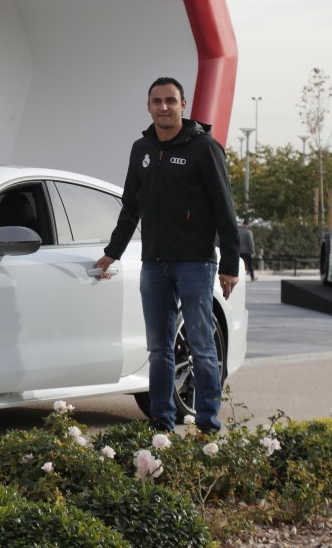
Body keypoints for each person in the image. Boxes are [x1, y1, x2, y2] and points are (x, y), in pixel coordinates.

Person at [95, 77, 240, 435]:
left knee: (202, 346)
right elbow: (131, 207)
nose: (163, 107)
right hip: (154, 264)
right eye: (157, 101)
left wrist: (230, 264)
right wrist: (112, 252)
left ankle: (207, 423)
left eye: (170, 101)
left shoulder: (204, 148)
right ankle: (160, 420)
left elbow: (225, 208)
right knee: (159, 348)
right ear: (148, 107)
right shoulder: (141, 149)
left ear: (183, 105)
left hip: (195, 262)